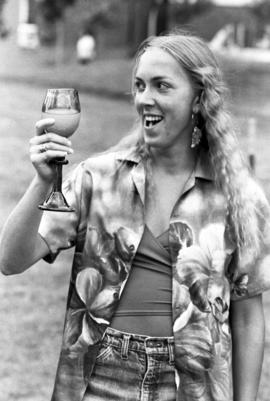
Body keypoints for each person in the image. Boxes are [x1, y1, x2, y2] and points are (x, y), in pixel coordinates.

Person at [1, 30, 270, 401]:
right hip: (103, 373)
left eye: (162, 86)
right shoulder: (98, 178)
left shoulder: (239, 196)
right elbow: (10, 260)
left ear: (198, 99)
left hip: (194, 383)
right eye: (140, 85)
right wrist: (41, 182)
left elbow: (247, 315)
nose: (146, 98)